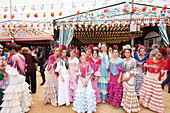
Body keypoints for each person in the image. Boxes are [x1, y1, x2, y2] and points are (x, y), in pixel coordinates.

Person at [1, 44, 32, 113]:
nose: (9, 52)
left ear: (12, 50)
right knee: (21, 90)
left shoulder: (14, 57)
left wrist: (6, 66)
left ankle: (14, 110)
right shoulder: (22, 56)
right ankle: (22, 107)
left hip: (15, 76)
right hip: (21, 76)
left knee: (13, 91)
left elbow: (12, 69)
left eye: (9, 51)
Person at [140, 48, 167, 113]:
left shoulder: (163, 62)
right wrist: (147, 66)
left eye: (159, 55)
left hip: (156, 78)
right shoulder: (150, 59)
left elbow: (163, 72)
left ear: (163, 57)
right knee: (147, 90)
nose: (157, 56)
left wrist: (159, 68)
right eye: (157, 54)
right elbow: (145, 65)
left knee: (156, 92)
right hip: (149, 77)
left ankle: (154, 106)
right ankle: (145, 103)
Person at [121, 45, 140, 113]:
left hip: (130, 76)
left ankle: (131, 106)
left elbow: (134, 70)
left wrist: (128, 78)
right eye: (125, 52)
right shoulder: (122, 60)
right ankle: (125, 105)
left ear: (130, 53)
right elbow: (121, 69)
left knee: (130, 90)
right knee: (125, 90)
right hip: (124, 75)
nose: (126, 54)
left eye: (128, 52)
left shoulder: (133, 60)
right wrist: (122, 77)